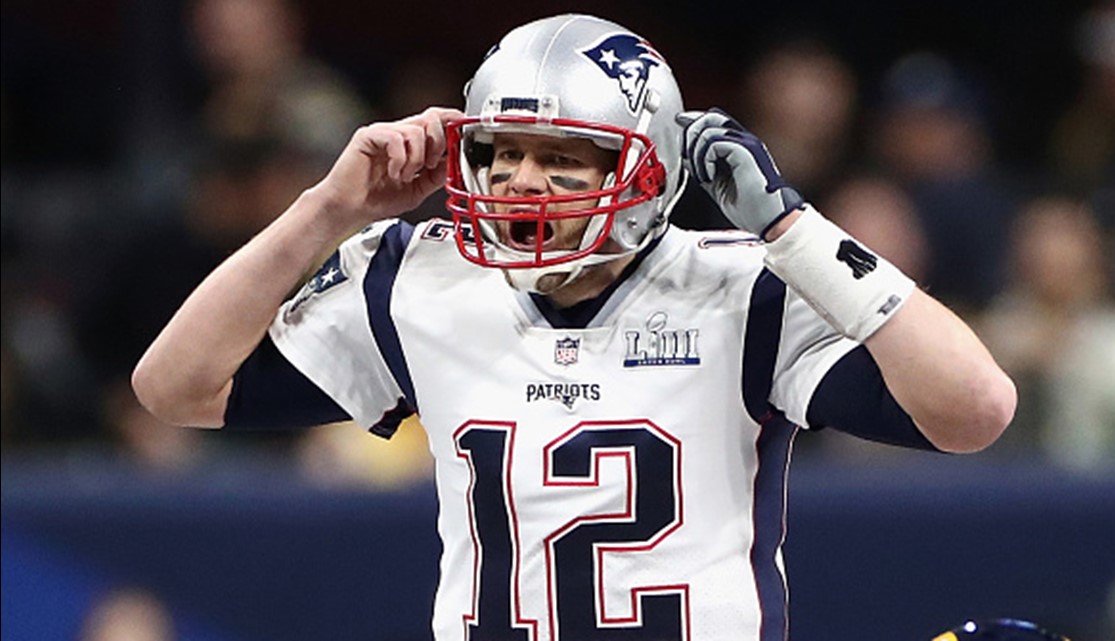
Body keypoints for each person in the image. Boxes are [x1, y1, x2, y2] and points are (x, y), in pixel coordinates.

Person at [133, 14, 1016, 640]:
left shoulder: (740, 285)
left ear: (651, 172)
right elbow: (174, 388)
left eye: (563, 157)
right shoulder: (420, 276)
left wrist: (790, 226)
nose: (521, 179)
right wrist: (327, 209)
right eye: (504, 152)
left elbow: (974, 409)